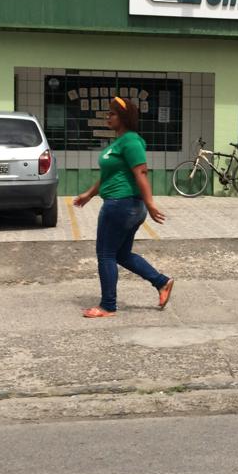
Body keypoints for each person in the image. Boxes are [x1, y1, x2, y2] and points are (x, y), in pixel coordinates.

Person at [73, 96, 173, 317]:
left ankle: (107, 305)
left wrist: (150, 203)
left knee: (106, 254)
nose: (108, 117)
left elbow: (141, 172)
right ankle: (161, 282)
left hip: (121, 205)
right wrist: (89, 194)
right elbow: (109, 175)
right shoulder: (119, 143)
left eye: (112, 114)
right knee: (121, 254)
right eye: (108, 113)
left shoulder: (131, 142)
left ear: (124, 117)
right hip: (123, 205)